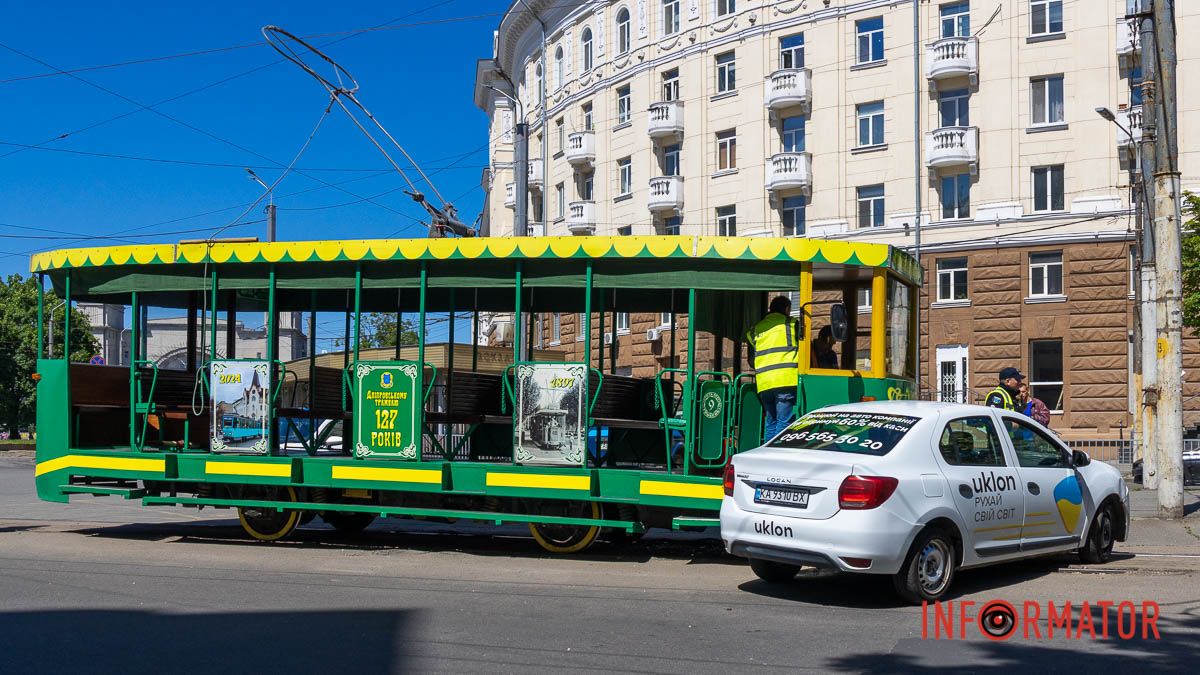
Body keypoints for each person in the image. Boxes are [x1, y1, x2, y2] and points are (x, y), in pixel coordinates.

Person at [746, 296, 801, 440]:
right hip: (785, 380)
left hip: (764, 384)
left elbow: (753, 358)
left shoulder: (755, 330)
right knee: (784, 422)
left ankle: (766, 455)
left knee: (771, 422)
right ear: (787, 309)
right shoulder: (792, 324)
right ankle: (776, 456)